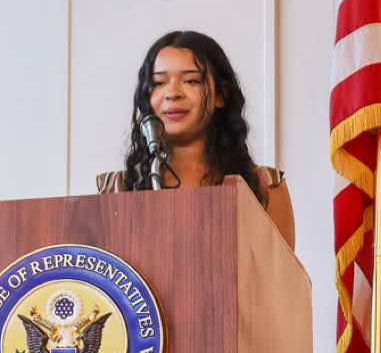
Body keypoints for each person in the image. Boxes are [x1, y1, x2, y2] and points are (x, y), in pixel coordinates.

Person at [97, 31, 295, 247]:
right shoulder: (116, 189)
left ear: (221, 95)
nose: (172, 93)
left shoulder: (265, 186)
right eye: (159, 83)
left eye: (191, 81)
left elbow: (280, 268)